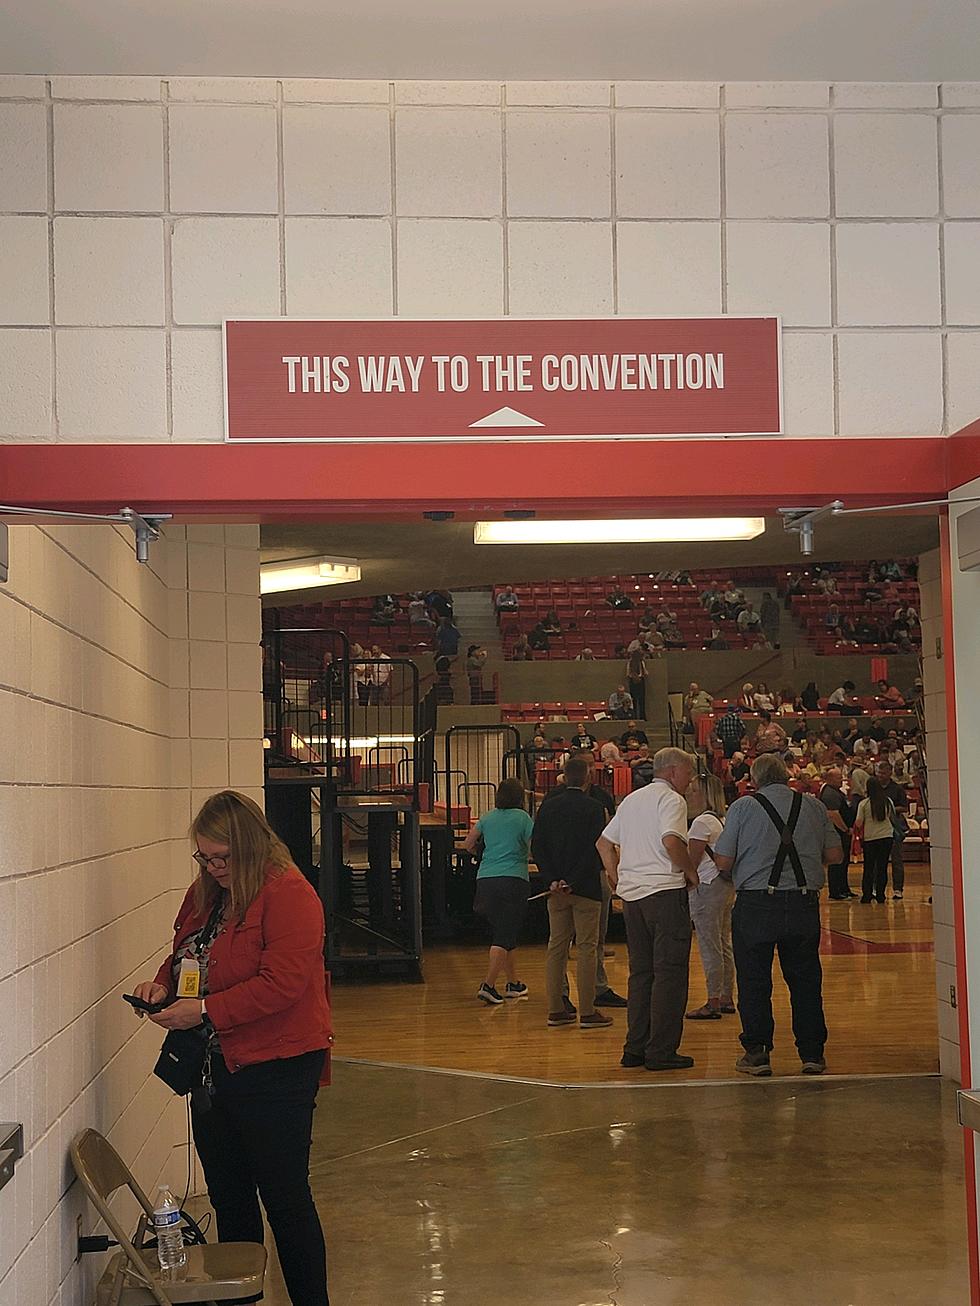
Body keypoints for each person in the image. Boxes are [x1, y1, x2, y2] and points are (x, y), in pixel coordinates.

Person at [133, 791, 332, 1306]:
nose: (215, 867)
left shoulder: (289, 894)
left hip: (278, 1067)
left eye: (224, 857)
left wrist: (202, 1012)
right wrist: (163, 985)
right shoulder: (203, 895)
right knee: (229, 1198)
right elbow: (186, 956)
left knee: (286, 1201)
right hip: (213, 1068)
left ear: (252, 847)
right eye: (205, 857)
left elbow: (282, 983)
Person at [712, 753, 839, 1077]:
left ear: (754, 779)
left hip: (756, 904)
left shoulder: (743, 807)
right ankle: (812, 1053)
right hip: (802, 902)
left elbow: (724, 861)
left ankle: (757, 1053)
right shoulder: (812, 806)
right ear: (786, 776)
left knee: (754, 981)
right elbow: (835, 855)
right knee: (806, 981)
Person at [597, 748, 697, 1071]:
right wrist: (690, 872)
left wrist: (616, 876)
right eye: (688, 773)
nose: (690, 780)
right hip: (664, 894)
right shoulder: (672, 801)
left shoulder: (631, 800)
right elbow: (671, 841)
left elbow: (603, 844)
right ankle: (661, 1051)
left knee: (641, 974)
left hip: (632, 897)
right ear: (672, 772)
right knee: (669, 974)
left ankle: (635, 1048)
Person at [533, 755, 615, 1031]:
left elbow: (538, 848)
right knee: (587, 949)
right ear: (588, 776)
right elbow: (596, 850)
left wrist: (553, 879)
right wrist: (573, 880)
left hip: (555, 890)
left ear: (564, 775)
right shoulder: (595, 808)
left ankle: (556, 1009)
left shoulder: (547, 807)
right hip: (586, 888)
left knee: (556, 947)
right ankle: (588, 1011)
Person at [462, 778, 533, 1005]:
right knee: (503, 936)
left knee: (505, 932)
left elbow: (468, 843)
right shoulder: (523, 818)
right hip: (513, 879)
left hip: (485, 880)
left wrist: (484, 855)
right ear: (520, 797)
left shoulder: (487, 817)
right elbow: (534, 845)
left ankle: (513, 983)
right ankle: (489, 985)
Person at [685, 774, 736, 1021]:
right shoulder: (722, 820)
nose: (688, 794)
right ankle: (726, 995)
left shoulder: (701, 823)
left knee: (709, 944)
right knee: (723, 941)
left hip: (706, 885)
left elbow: (690, 863)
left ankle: (713, 999)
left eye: (694, 790)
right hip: (725, 886)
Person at [855, 778, 898, 904]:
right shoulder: (888, 801)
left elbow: (858, 822)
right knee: (882, 867)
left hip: (870, 838)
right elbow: (892, 816)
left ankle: (867, 895)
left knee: (868, 867)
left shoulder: (864, 804)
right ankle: (881, 895)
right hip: (886, 836)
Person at [819, 767, 855, 900]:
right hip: (837, 833)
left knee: (844, 862)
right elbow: (833, 814)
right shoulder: (830, 794)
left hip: (842, 833)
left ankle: (844, 888)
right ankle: (835, 891)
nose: (841, 780)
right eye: (838, 777)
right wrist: (845, 829)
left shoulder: (837, 792)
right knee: (837, 863)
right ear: (829, 779)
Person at [876, 760, 909, 899]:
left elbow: (904, 807)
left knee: (896, 860)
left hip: (893, 828)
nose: (880, 776)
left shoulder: (897, 788)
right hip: (878, 827)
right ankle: (877, 889)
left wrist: (890, 809)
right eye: (879, 773)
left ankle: (898, 889)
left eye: (883, 773)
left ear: (890, 773)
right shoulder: (875, 788)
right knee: (878, 861)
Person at [625, 643, 647, 721]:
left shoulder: (641, 662)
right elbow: (628, 674)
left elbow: (645, 672)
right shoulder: (630, 663)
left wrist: (640, 676)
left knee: (642, 700)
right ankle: (634, 716)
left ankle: (642, 716)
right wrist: (635, 677)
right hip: (633, 682)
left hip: (641, 681)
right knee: (633, 700)